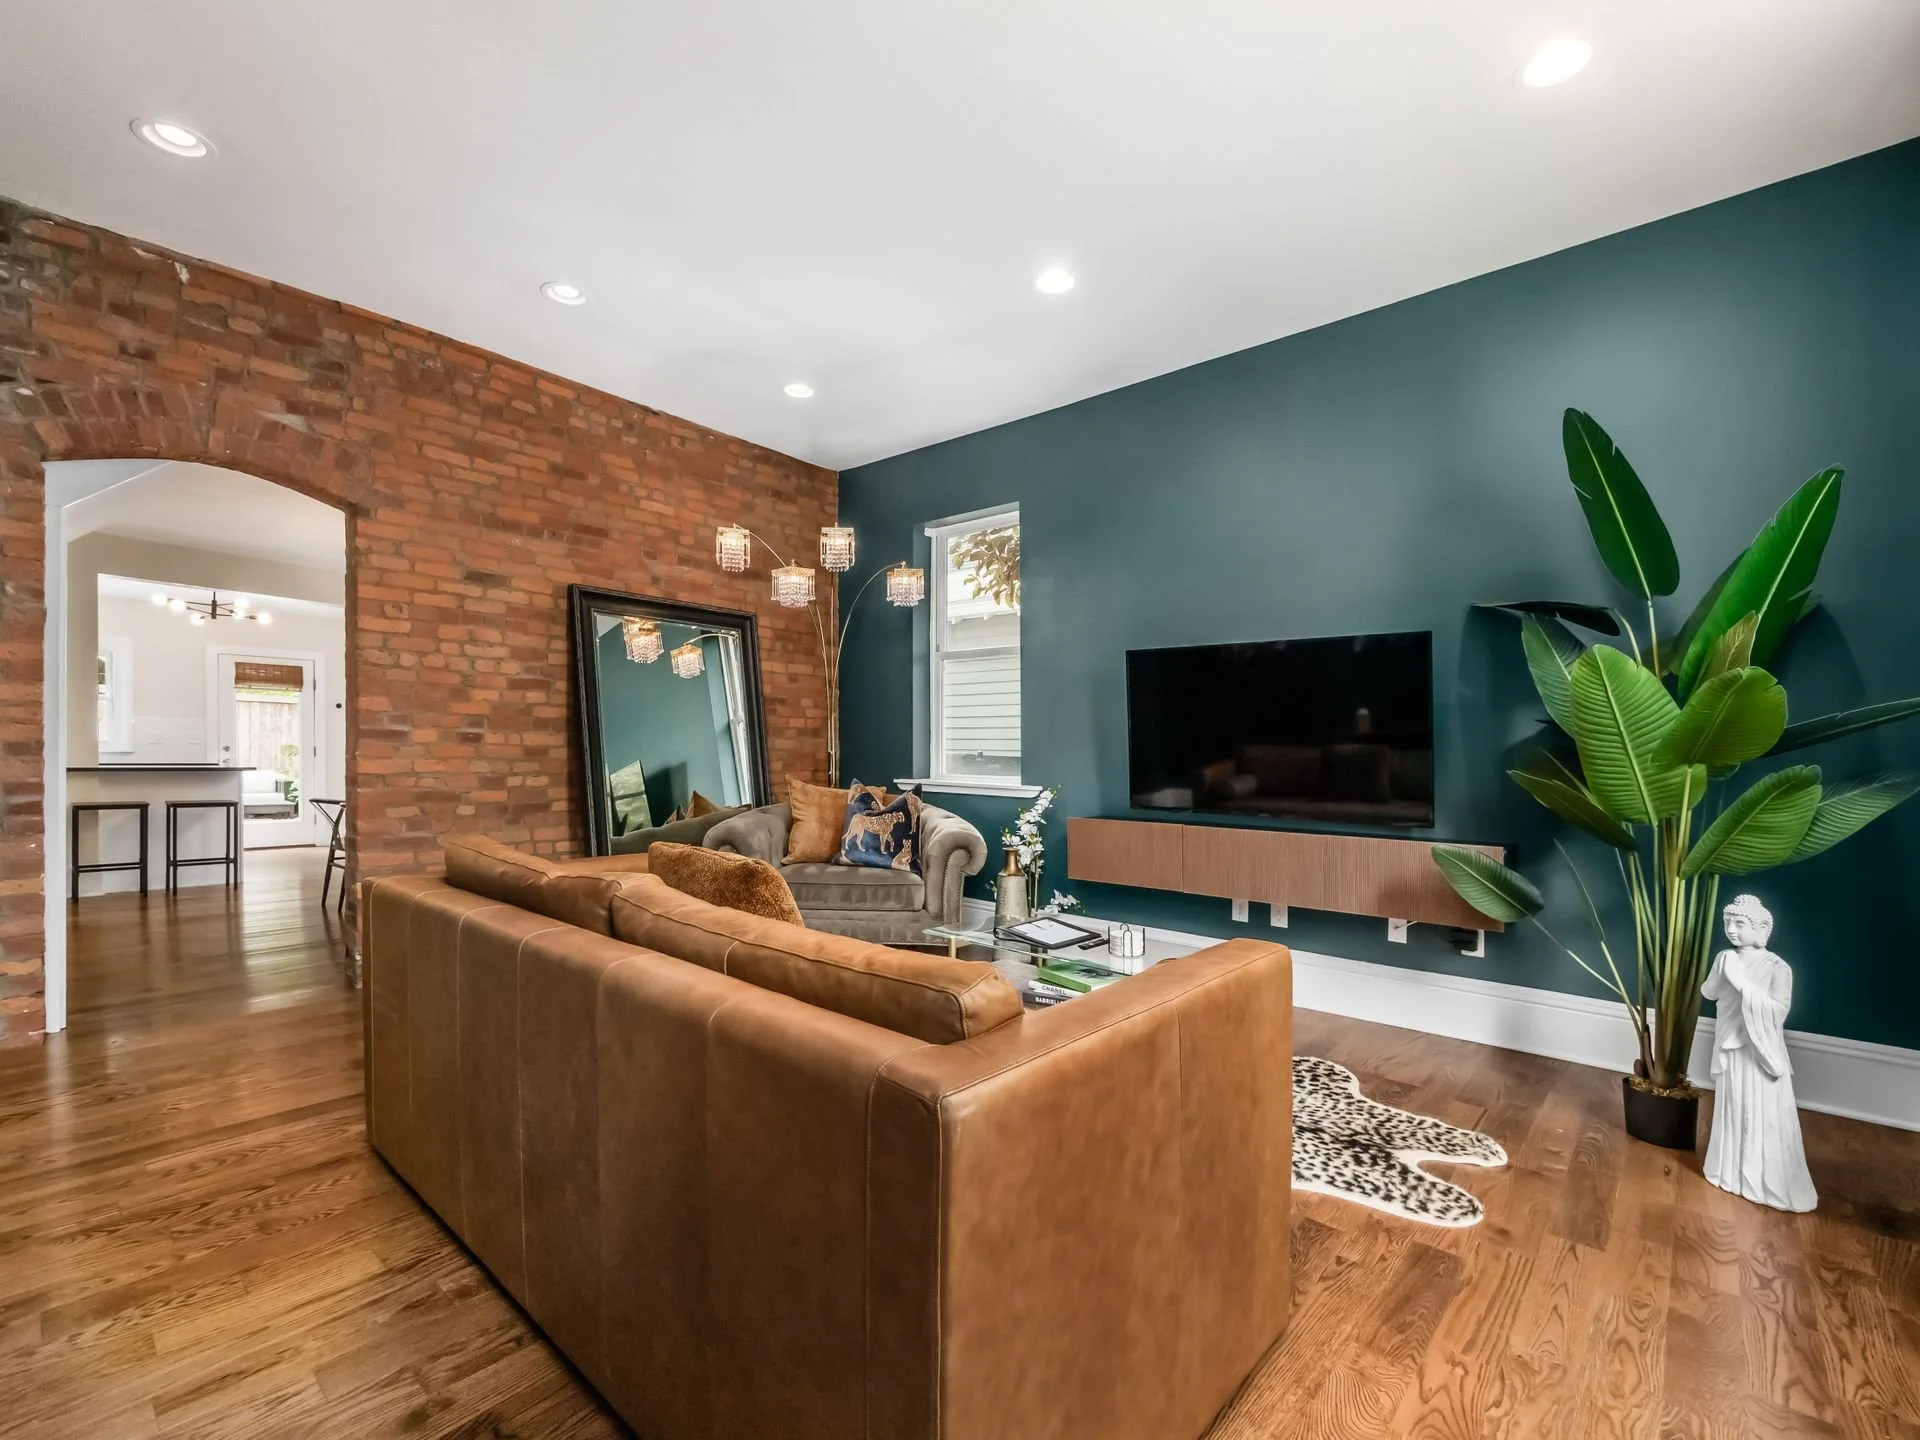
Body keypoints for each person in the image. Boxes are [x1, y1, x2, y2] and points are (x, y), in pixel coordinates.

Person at [1700, 894, 1817, 1212]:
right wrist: (1721, 972)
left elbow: (1777, 1012)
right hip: (1731, 1046)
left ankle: (1764, 1179)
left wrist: (1741, 984)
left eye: (1740, 923)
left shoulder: (1778, 968)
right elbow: (1709, 992)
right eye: (1728, 922)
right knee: (1733, 1106)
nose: (1731, 929)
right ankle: (1728, 1171)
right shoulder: (1726, 957)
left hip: (1758, 1049)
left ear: (1762, 929)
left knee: (1760, 1111)